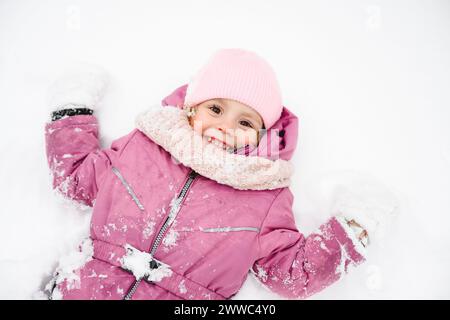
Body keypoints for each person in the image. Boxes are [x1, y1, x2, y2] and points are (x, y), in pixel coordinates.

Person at [44, 48, 396, 300]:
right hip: (84, 288)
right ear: (191, 109)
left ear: (261, 136)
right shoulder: (145, 146)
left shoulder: (263, 194)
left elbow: (290, 273)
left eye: (245, 122)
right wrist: (73, 109)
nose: (226, 126)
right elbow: (75, 180)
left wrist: (351, 231)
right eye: (216, 108)